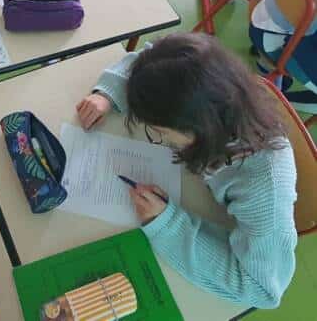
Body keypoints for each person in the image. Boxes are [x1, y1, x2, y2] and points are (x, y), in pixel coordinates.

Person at [76, 32, 297, 308]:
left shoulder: (264, 191)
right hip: (204, 193)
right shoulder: (212, 79)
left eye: (160, 132)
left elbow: (262, 290)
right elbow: (153, 57)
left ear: (197, 129)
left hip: (234, 226)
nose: (161, 139)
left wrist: (167, 224)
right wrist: (108, 93)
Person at [249, 0, 317, 114]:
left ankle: (267, 69)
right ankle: (277, 101)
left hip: (268, 19)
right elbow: (302, 44)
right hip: (280, 41)